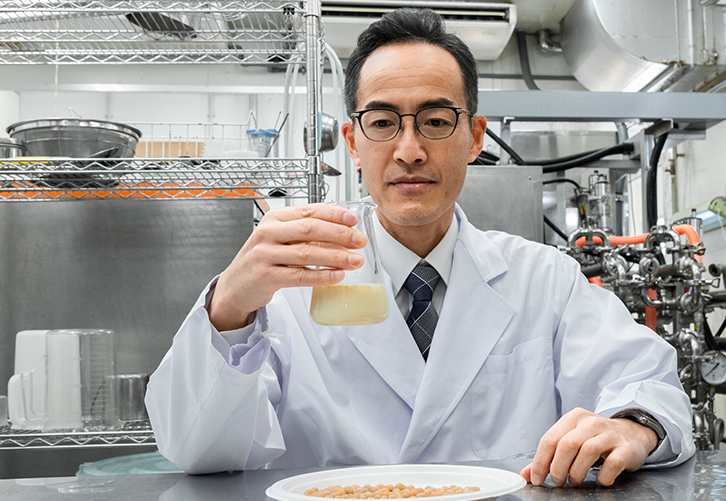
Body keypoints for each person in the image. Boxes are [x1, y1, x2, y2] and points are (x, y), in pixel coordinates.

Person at [145, 7, 694, 487]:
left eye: (435, 121)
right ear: (354, 142)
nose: (408, 151)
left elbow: (648, 386)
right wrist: (228, 312)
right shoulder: (289, 289)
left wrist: (631, 424)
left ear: (475, 137)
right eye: (383, 122)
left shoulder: (544, 280)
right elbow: (196, 450)